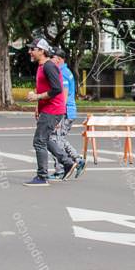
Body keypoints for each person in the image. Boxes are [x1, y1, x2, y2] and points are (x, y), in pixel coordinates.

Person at [25, 38, 77, 187]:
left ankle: (42, 177)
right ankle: (67, 163)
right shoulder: (42, 66)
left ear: (41, 50)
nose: (30, 52)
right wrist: (38, 106)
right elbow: (44, 88)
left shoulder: (49, 66)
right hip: (48, 109)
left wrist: (37, 97)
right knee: (45, 139)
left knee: (39, 141)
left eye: (32, 49)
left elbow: (56, 89)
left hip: (53, 110)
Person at [50, 48, 86, 180]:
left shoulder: (62, 73)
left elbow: (63, 96)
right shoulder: (64, 71)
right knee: (60, 139)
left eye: (52, 57)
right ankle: (78, 160)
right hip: (68, 111)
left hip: (64, 112)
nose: (50, 60)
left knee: (55, 140)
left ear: (59, 59)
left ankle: (60, 170)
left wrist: (57, 114)